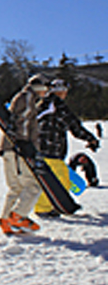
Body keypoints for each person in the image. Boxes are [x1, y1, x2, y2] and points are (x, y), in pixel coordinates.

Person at [34, 79, 100, 217]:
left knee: (60, 178)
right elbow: (74, 125)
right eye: (65, 91)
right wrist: (91, 139)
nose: (65, 94)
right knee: (56, 180)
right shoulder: (57, 104)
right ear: (61, 91)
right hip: (50, 149)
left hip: (41, 148)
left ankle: (54, 205)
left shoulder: (42, 104)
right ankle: (44, 208)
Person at [0, 74, 49, 235]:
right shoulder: (28, 98)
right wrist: (25, 144)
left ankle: (6, 220)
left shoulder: (22, 97)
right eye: (45, 90)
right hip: (18, 148)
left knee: (16, 187)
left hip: (8, 147)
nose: (45, 94)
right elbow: (23, 122)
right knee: (33, 185)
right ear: (39, 88)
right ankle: (19, 216)